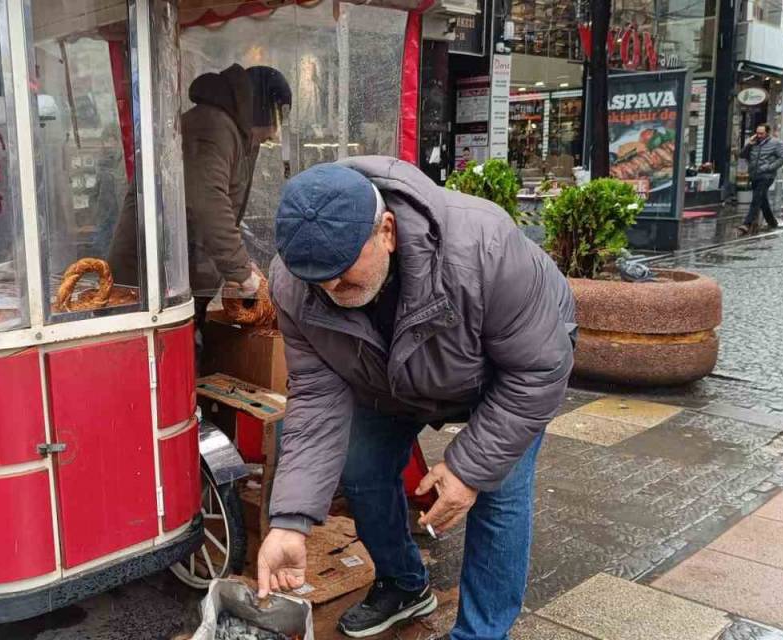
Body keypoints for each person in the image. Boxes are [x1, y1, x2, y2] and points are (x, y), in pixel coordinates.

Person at [256, 158, 576, 639]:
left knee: (496, 490)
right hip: (389, 376)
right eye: (316, 281)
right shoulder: (292, 282)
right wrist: (290, 521)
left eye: (343, 275)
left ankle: (482, 633)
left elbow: (537, 370)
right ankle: (405, 585)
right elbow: (318, 399)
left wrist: (467, 470)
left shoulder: (484, 246)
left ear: (386, 230)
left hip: (507, 369)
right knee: (361, 466)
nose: (332, 292)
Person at [109, 64, 292, 322]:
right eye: (277, 117)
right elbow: (209, 204)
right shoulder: (212, 127)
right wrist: (241, 272)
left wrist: (235, 267)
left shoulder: (230, 129)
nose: (274, 132)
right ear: (263, 108)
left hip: (176, 277)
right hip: (151, 282)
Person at [738, 124, 783, 235]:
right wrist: (749, 145)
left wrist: (769, 167)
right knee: (762, 199)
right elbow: (742, 155)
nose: (759, 135)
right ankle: (772, 222)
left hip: (767, 175)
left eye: (762, 133)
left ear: (767, 133)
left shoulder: (776, 143)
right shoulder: (753, 142)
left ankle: (747, 223)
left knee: (756, 199)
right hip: (754, 174)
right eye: (757, 133)